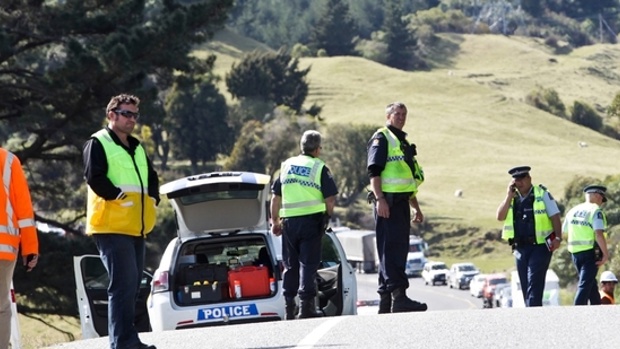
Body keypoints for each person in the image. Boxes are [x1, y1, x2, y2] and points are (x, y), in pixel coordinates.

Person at [83, 94, 159, 349]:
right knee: (123, 286)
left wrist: (154, 199)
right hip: (111, 226)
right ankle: (122, 343)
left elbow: (152, 175)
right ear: (111, 114)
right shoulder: (98, 142)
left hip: (136, 227)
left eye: (135, 115)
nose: (132, 119)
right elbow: (94, 176)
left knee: (132, 286)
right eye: (127, 114)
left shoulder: (136, 147)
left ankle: (128, 340)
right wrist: (117, 195)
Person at [366, 102, 427, 314]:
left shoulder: (402, 142)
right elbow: (374, 171)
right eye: (397, 114)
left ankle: (385, 301)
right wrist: (380, 198)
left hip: (401, 203)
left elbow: (407, 181)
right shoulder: (382, 138)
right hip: (388, 204)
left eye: (404, 114)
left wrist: (416, 208)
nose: (401, 117)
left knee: (394, 250)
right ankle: (399, 297)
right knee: (392, 250)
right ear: (388, 116)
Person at [270, 130, 337, 319]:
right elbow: (330, 199)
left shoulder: (286, 166)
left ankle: (289, 307)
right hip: (312, 221)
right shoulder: (319, 167)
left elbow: (275, 197)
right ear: (317, 149)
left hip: (289, 223)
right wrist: (327, 216)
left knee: (290, 265)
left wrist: (275, 221)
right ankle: (306, 307)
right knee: (308, 264)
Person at [496, 166, 562, 307]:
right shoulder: (512, 198)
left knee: (534, 283)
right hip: (520, 248)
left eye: (522, 179)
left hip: (540, 247)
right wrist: (508, 196)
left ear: (529, 179)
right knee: (526, 285)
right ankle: (532, 314)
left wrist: (558, 238)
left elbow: (555, 216)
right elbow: (500, 217)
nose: (519, 183)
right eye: (516, 180)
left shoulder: (542, 193)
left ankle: (534, 317)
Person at [0, 148, 38, 349]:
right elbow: (23, 208)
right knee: (0, 306)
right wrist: (30, 247)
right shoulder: (7, 160)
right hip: (4, 247)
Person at [563, 185, 609, 306]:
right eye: (602, 200)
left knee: (590, 283)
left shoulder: (572, 211)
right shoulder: (595, 211)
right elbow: (598, 234)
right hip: (590, 253)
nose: (601, 203)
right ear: (598, 196)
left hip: (575, 253)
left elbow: (564, 233)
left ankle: (596, 306)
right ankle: (577, 313)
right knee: (584, 284)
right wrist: (605, 254)